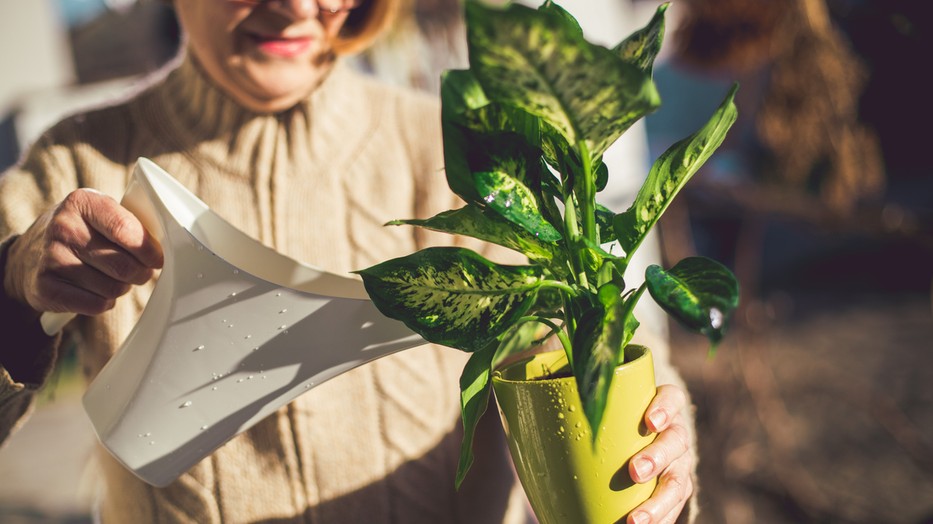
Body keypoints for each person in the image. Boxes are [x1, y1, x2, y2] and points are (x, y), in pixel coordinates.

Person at [0, 0, 697, 522]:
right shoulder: (81, 160)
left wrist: (655, 435)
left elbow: (573, 341)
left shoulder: (451, 155)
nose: (301, 6)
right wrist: (15, 287)